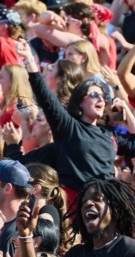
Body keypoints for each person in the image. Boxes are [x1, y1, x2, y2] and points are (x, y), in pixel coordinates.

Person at [18, 40, 119, 202]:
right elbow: (46, 98)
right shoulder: (71, 128)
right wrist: (29, 60)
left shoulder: (108, 134)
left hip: (102, 204)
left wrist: (126, 109)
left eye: (102, 96)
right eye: (93, 95)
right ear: (79, 102)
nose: (100, 98)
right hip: (73, 205)